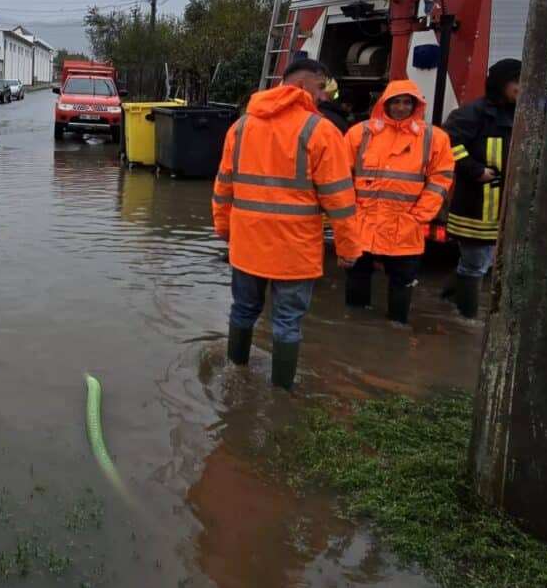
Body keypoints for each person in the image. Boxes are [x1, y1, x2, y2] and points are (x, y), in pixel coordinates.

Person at [213, 59, 362, 390]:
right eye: (322, 87)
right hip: (294, 251)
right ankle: (281, 396)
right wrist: (349, 247)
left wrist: (225, 230)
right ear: (303, 86)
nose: (325, 96)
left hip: (248, 244)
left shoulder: (241, 127)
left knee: (242, 311)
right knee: (287, 324)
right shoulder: (320, 130)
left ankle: (234, 374)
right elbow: (339, 199)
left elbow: (223, 187)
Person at [344, 81, 454, 322]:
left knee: (402, 283)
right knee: (356, 279)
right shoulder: (360, 133)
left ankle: (394, 329)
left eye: (406, 102)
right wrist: (349, 212)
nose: (401, 107)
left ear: (415, 105)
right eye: (396, 101)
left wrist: (420, 215)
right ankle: (354, 328)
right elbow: (342, 175)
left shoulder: (433, 138)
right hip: (362, 222)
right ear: (385, 103)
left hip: (405, 224)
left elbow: (441, 178)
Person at [442, 58, 521, 318]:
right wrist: (475, 170)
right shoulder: (473, 112)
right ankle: (466, 320)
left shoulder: (520, 112)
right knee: (476, 264)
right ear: (501, 82)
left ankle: (447, 299)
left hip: (503, 204)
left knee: (482, 262)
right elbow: (447, 142)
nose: (522, 86)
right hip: (476, 204)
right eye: (516, 81)